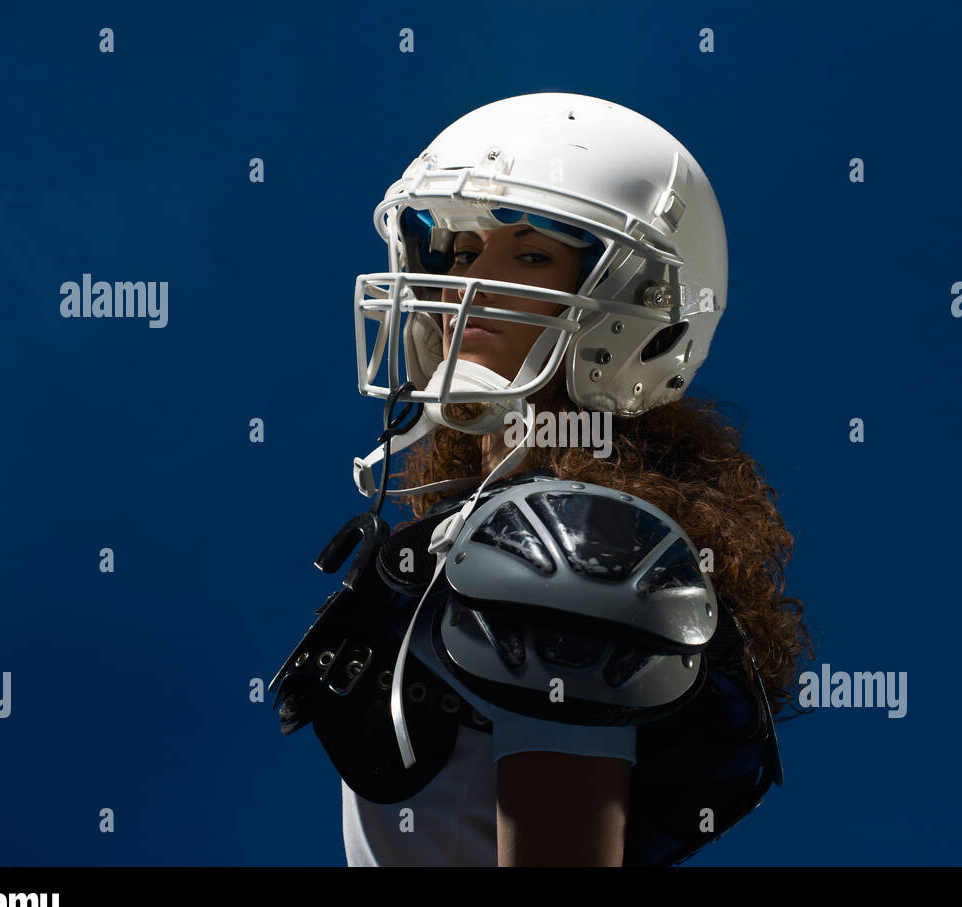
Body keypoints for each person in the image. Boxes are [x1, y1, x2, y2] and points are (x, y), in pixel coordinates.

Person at [273, 92, 813, 867]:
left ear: (638, 309)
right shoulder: (487, 523)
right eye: (458, 252)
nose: (472, 283)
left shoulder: (576, 545)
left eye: (528, 255)